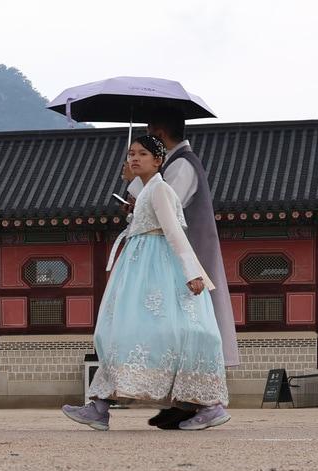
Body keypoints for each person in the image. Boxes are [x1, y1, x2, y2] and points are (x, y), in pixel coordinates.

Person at [62, 135, 229, 431]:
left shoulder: (161, 189)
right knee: (117, 331)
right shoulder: (149, 190)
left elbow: (174, 232)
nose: (134, 158)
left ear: (158, 160)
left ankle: (209, 405)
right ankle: (99, 406)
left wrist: (193, 272)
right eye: (131, 154)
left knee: (155, 332)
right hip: (138, 267)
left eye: (142, 154)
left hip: (158, 268)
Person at [123, 112, 239, 430]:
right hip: (170, 259)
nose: (137, 154)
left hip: (185, 257)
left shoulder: (183, 165)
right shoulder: (174, 164)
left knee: (190, 331)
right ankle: (186, 403)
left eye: (145, 144)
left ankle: (207, 402)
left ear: (159, 132)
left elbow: (167, 213)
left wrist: (136, 194)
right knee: (175, 331)